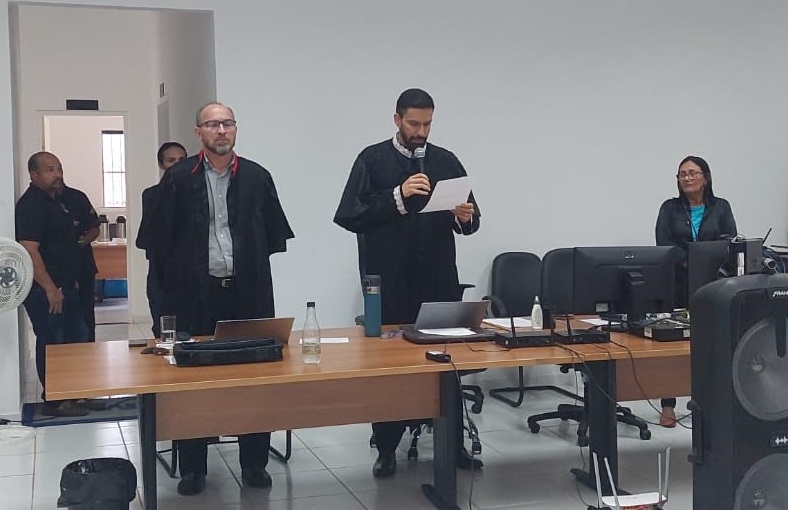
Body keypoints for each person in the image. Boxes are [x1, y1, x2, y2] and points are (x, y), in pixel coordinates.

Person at [142, 103, 294, 496]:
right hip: (194, 294)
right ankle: (193, 467)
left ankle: (254, 462)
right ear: (199, 132)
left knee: (255, 376)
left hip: (247, 293)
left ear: (236, 129)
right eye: (212, 124)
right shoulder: (177, 178)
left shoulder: (257, 176)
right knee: (193, 380)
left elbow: (272, 236)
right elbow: (158, 242)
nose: (221, 130)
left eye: (227, 123)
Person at [334, 88, 481, 478]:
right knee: (390, 369)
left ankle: (453, 445)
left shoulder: (446, 160)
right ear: (397, 119)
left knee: (446, 364)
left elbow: (473, 219)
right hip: (390, 282)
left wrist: (464, 217)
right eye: (414, 123)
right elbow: (349, 215)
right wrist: (397, 196)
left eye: (427, 124)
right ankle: (386, 448)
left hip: (438, 281)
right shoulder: (372, 159)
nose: (421, 132)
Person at [655, 155, 737, 427]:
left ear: (706, 177)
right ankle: (668, 405)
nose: (687, 178)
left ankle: (706, 405)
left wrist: (707, 261)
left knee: (709, 345)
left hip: (712, 285)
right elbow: (663, 243)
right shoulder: (670, 208)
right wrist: (689, 260)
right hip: (677, 283)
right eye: (682, 174)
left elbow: (730, 240)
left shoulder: (721, 207)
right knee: (672, 346)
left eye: (692, 173)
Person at [16, 152, 90, 417]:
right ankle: (55, 400)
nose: (57, 174)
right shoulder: (31, 205)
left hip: (66, 286)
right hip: (46, 290)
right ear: (34, 175)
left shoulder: (57, 202)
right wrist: (50, 288)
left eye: (59, 168)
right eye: (50, 170)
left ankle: (73, 394)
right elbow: (30, 250)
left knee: (75, 338)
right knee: (52, 341)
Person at [135, 141, 187, 337]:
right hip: (161, 268)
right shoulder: (152, 195)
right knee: (163, 324)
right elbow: (149, 236)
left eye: (182, 160)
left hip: (190, 268)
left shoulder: (199, 192)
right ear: (162, 164)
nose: (177, 165)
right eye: (171, 160)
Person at [60, 184, 100, 341]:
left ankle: (88, 352)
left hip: (83, 266)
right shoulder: (35, 202)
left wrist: (77, 244)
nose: (56, 174)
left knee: (86, 318)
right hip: (56, 272)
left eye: (58, 171)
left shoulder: (76, 197)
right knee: (56, 327)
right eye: (50, 171)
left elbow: (95, 229)